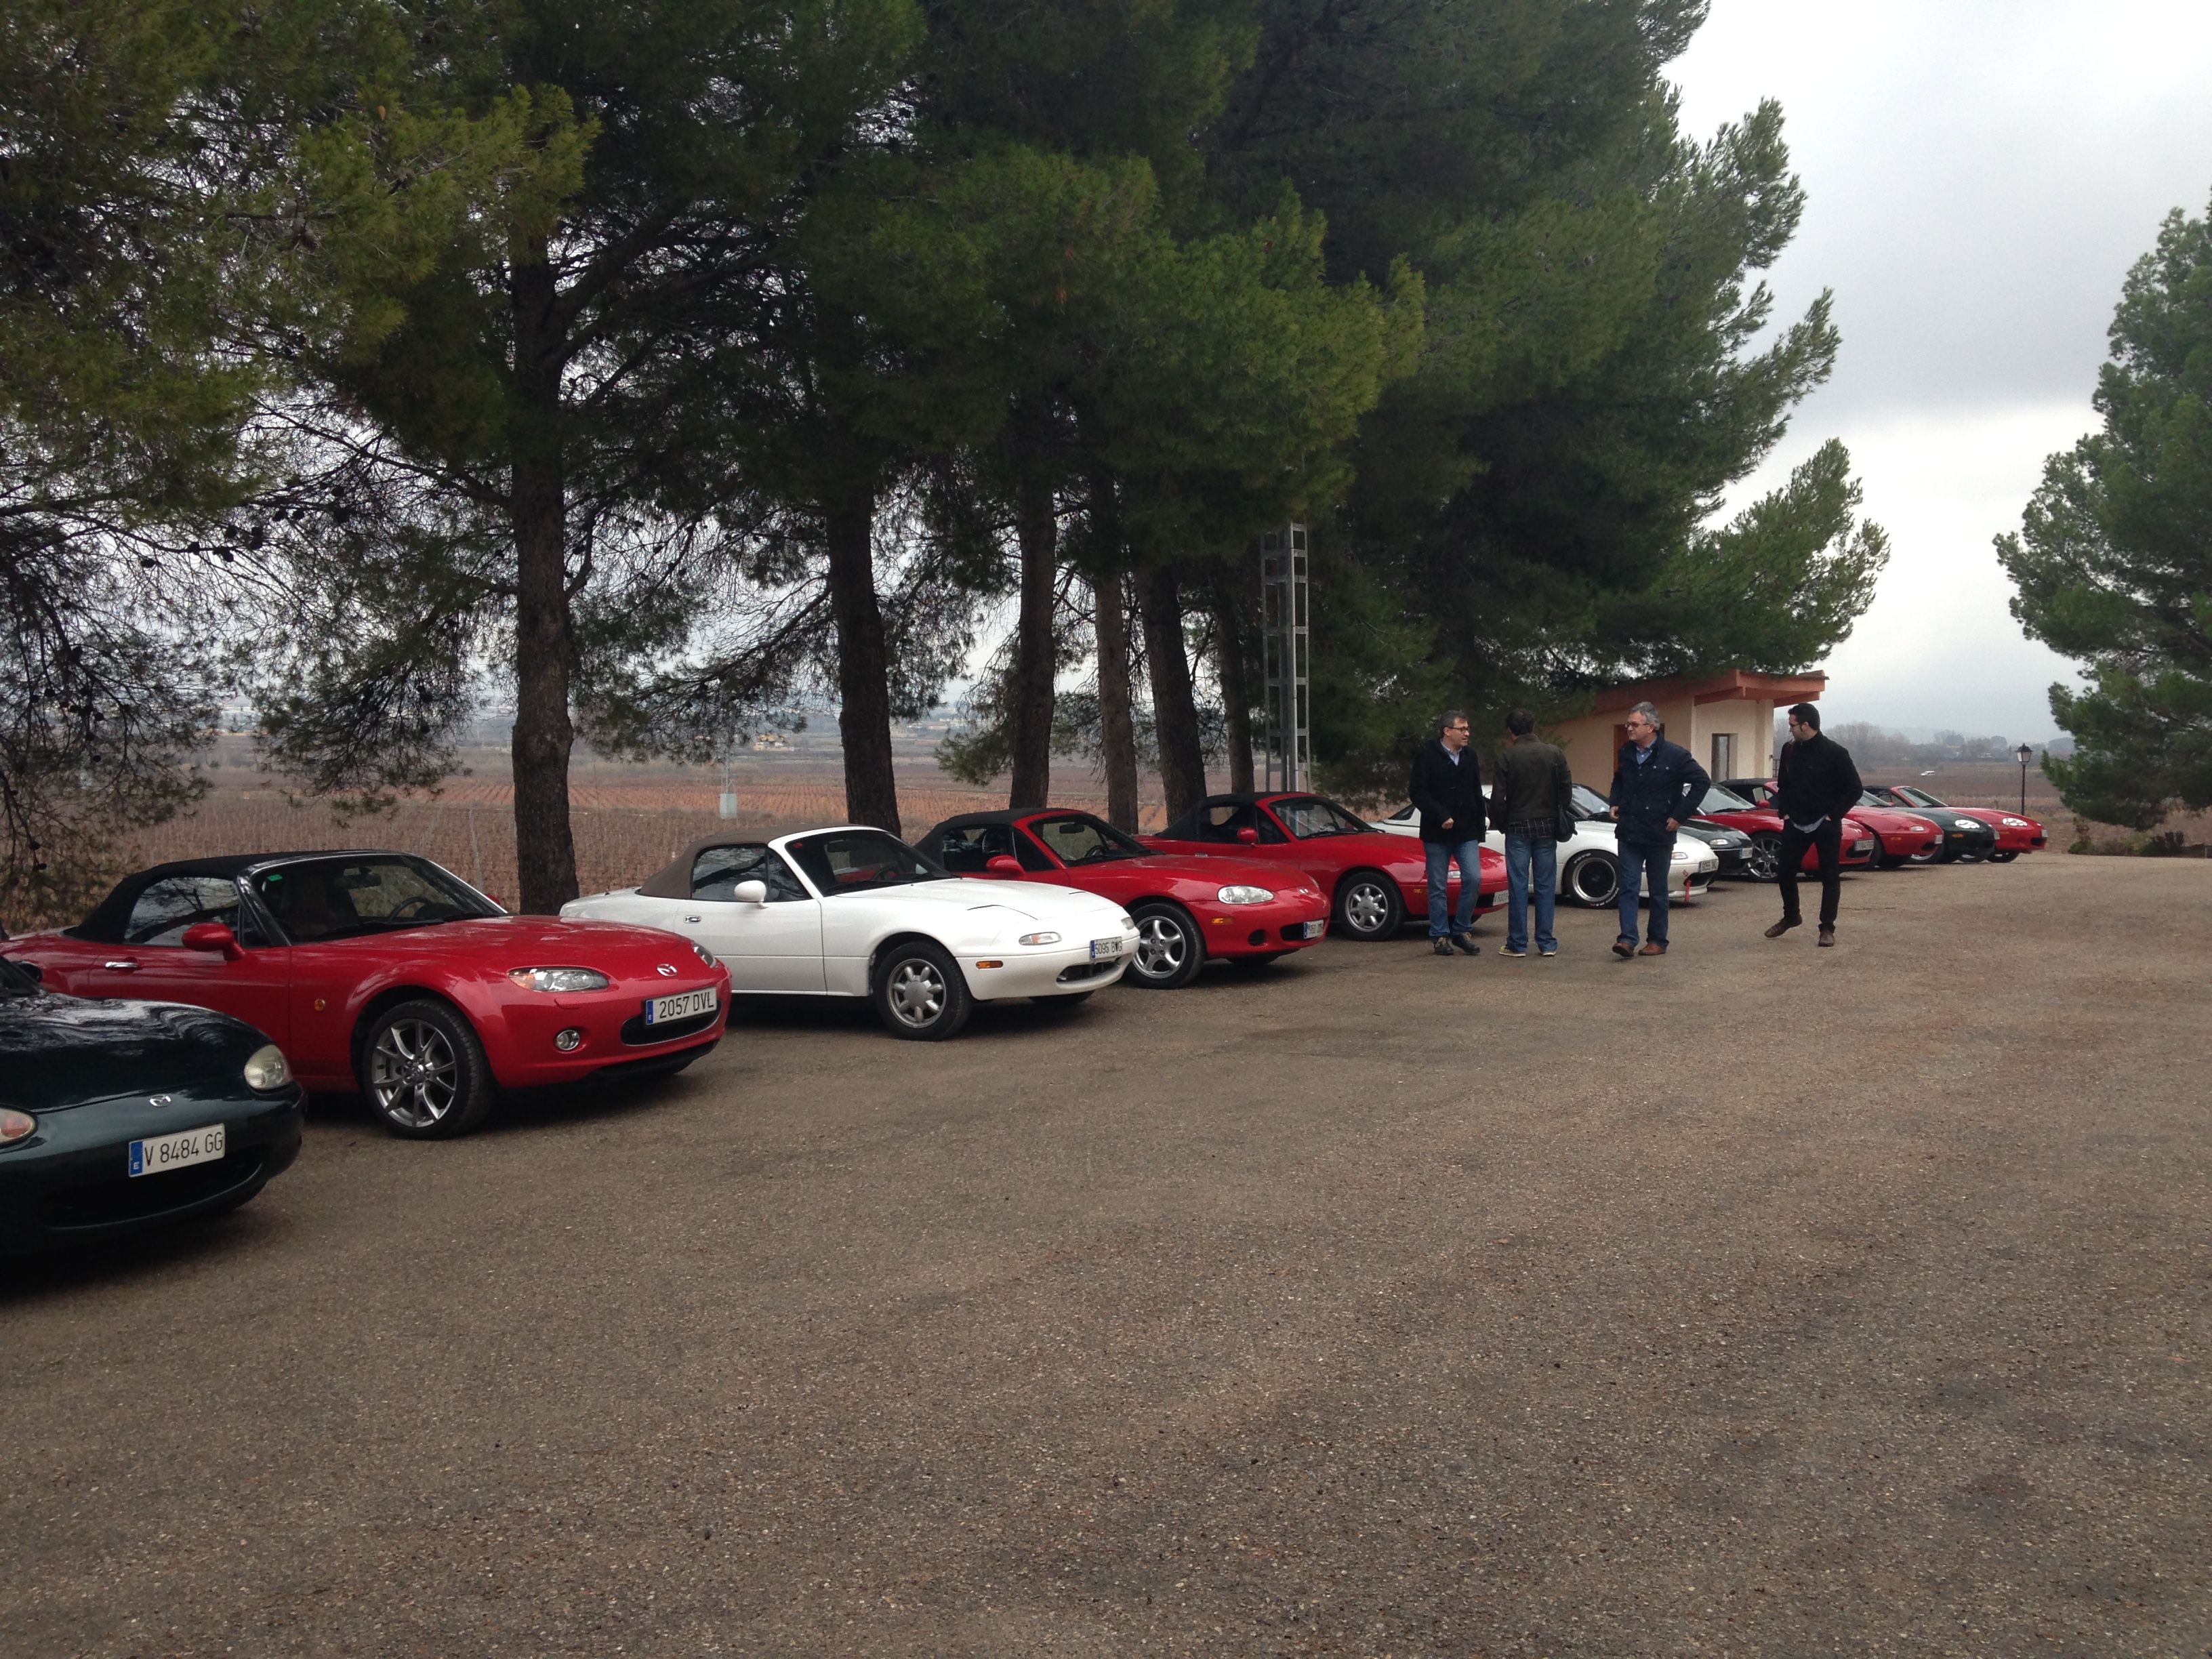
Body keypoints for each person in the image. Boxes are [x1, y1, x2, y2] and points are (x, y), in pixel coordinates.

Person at [1606, 701, 1709, 959]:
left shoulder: (1675, 755)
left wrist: (1679, 815)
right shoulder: (1626, 752)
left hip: (1659, 832)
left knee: (1658, 890)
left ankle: (1657, 940)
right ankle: (1627, 939)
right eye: (1628, 724)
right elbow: (1619, 779)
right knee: (1628, 886)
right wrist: (1615, 801)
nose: (1629, 728)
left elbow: (1702, 782)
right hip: (1629, 831)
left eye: (1634, 724)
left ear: (1651, 727)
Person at [1764, 703, 1862, 947]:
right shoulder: (1789, 750)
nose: (1790, 730)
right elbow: (1783, 784)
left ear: (1806, 725)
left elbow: (1855, 789)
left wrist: (1833, 817)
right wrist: (1785, 812)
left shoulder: (1835, 753)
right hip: (1795, 822)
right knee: (1785, 871)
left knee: (1829, 875)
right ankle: (1791, 916)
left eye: (1793, 725)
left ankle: (1827, 928)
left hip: (1825, 823)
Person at [1487, 709, 1574, 958]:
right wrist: (1558, 810)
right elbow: (1566, 790)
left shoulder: (1507, 757)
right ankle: (1547, 942)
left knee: (1518, 886)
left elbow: (1498, 798)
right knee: (1546, 885)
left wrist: (1502, 823)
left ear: (1510, 731)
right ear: (1533, 727)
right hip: (1547, 825)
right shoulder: (1554, 753)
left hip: (1517, 826)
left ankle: (1517, 943)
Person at [1409, 709, 1486, 956]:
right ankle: (1440, 935)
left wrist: (1480, 825)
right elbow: (1418, 792)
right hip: (1437, 833)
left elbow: (1476, 791)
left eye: (1468, 729)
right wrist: (1440, 815)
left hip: (1466, 832)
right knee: (1438, 886)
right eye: (1462, 729)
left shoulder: (1470, 756)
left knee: (1473, 879)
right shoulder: (1428, 756)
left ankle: (1461, 930)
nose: (1467, 733)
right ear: (1447, 731)